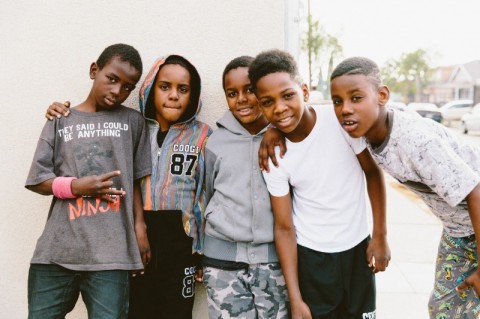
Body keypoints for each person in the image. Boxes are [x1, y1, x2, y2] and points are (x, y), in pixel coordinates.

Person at [46, 54, 212, 319]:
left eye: (183, 89)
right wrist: (60, 111)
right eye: (165, 86)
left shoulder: (202, 136)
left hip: (181, 241)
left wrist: (202, 252)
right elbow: (91, 122)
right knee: (135, 310)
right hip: (134, 235)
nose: (173, 95)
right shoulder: (130, 126)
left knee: (178, 313)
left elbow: (205, 195)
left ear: (193, 95)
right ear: (150, 89)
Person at [329, 56, 480, 318]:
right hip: (459, 230)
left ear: (382, 95)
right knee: (445, 310)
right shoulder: (364, 123)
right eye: (337, 101)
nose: (345, 109)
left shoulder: (416, 143)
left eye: (355, 98)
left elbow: (476, 191)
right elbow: (305, 110)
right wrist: (273, 129)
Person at [248, 49, 390, 319]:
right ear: (260, 105)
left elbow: (373, 174)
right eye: (268, 102)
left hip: (357, 250)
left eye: (287, 95)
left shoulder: (339, 121)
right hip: (312, 260)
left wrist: (380, 235)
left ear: (303, 90)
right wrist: (295, 298)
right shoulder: (275, 154)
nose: (279, 108)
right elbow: (284, 227)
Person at [25, 43, 152, 319]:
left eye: (128, 87)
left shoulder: (133, 122)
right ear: (94, 70)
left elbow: (136, 180)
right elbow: (37, 180)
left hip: (112, 255)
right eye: (112, 79)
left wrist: (140, 228)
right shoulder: (61, 119)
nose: (118, 91)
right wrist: (75, 187)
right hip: (56, 253)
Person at [202, 56, 289, 318]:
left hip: (274, 261)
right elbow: (207, 192)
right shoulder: (215, 142)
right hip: (222, 263)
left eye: (249, 90)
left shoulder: (285, 137)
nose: (241, 99)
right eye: (232, 93)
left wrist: (275, 126)